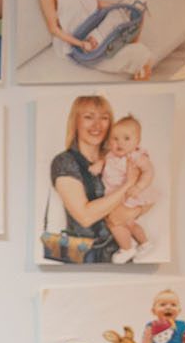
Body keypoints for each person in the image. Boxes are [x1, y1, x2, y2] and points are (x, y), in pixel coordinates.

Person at [38, 0, 155, 81]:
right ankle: (124, 45)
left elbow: (97, 4)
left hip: (100, 22)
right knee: (142, 55)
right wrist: (82, 44)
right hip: (80, 44)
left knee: (137, 2)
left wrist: (121, 7)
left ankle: (128, 40)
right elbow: (54, 29)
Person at [48, 94, 134, 264]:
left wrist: (132, 211)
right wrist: (128, 185)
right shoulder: (64, 162)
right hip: (85, 257)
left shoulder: (118, 158)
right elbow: (85, 216)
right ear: (76, 122)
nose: (97, 125)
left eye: (104, 118)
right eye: (88, 117)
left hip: (122, 254)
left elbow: (149, 196)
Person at [98, 113, 157, 262]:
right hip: (119, 195)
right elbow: (103, 161)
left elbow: (149, 172)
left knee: (115, 222)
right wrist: (98, 165)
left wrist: (139, 187)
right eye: (115, 138)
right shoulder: (110, 155)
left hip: (133, 195)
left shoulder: (136, 157)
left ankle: (127, 249)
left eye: (126, 138)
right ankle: (145, 243)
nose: (119, 143)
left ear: (137, 142)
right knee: (129, 223)